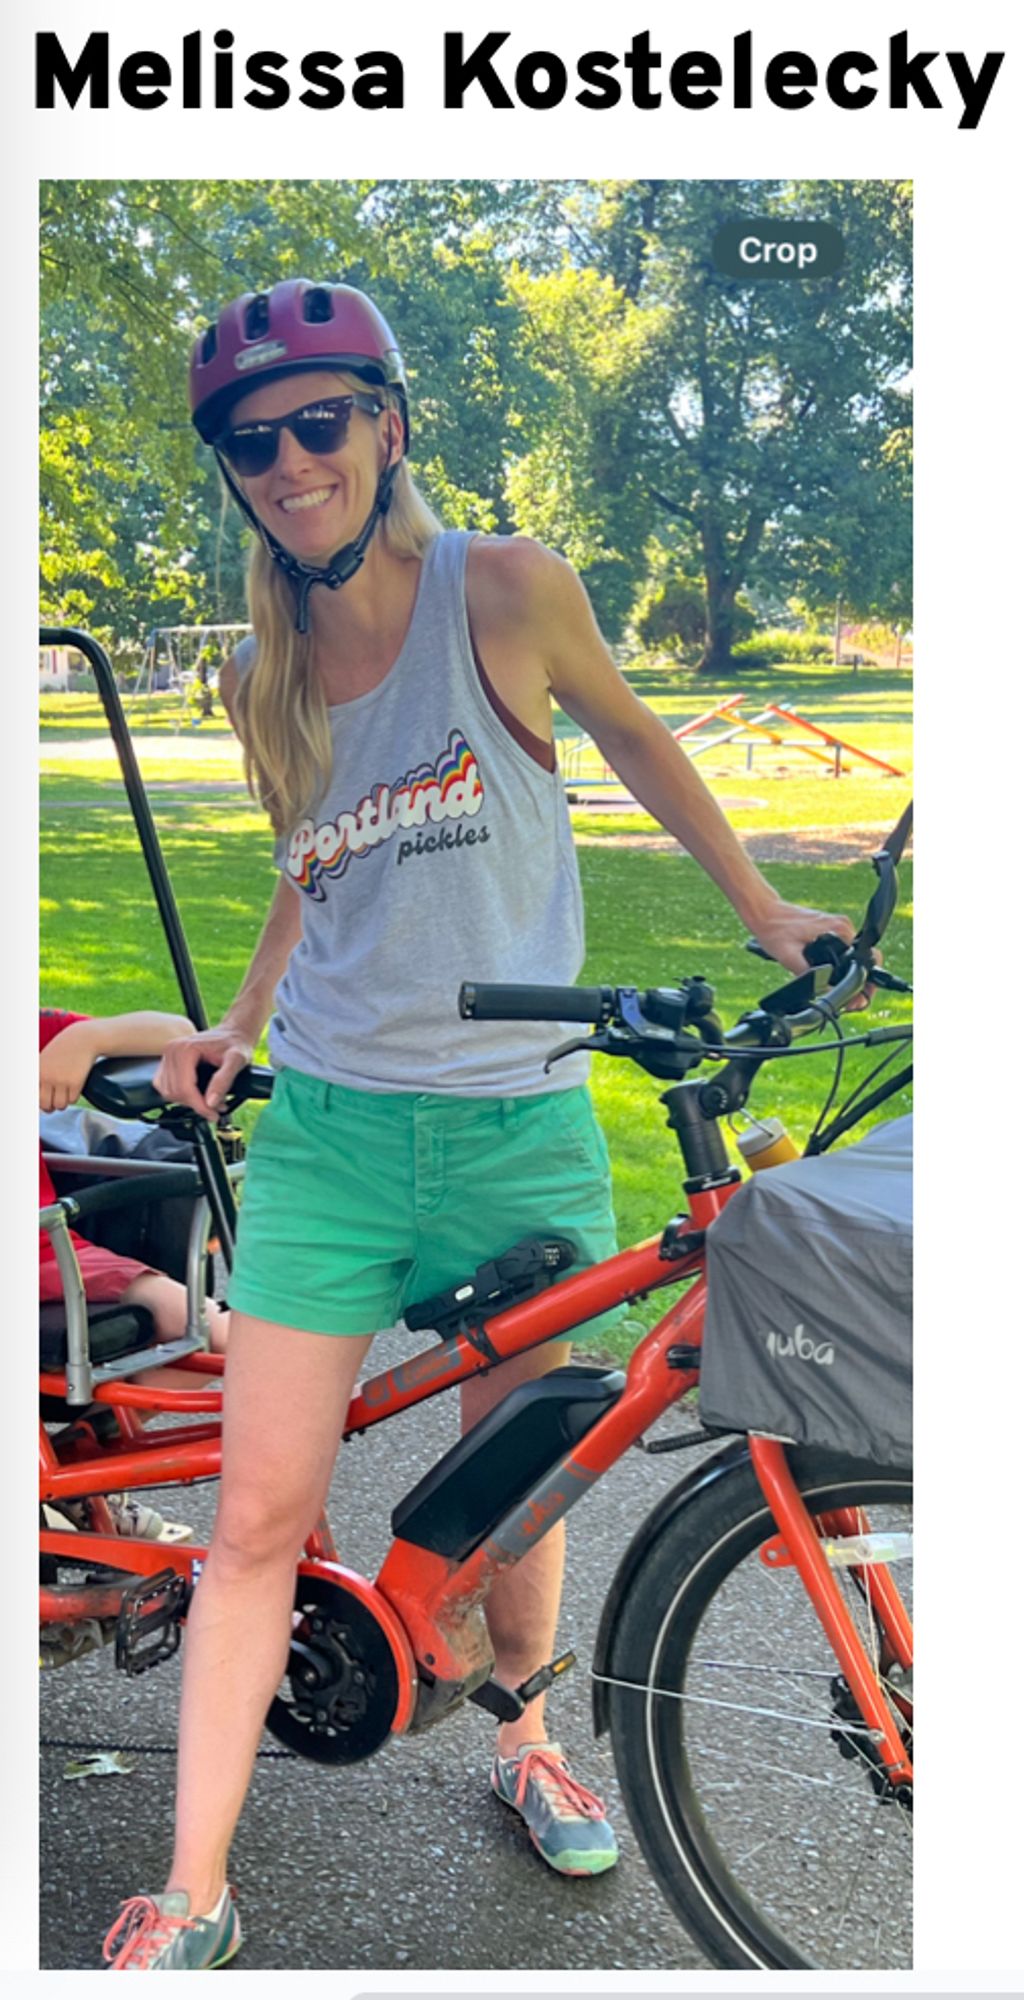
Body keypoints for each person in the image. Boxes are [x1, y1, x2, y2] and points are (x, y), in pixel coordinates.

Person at [101, 279, 861, 1972]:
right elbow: (314, 867)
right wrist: (236, 1021)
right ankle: (198, 1885)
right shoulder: (260, 666)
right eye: (251, 441)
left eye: (317, 422)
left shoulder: (503, 591)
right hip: (338, 1144)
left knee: (518, 1491)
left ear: (384, 424)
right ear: (234, 470)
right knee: (254, 1517)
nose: (286, 461)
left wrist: (752, 910)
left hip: (519, 1135)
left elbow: (639, 739)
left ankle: (522, 1737)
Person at [40, 1008, 229, 1499]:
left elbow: (181, 1035)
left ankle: (74, 1471)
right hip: (47, 1248)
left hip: (52, 1253)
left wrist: (87, 1037)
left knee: (217, 1334)